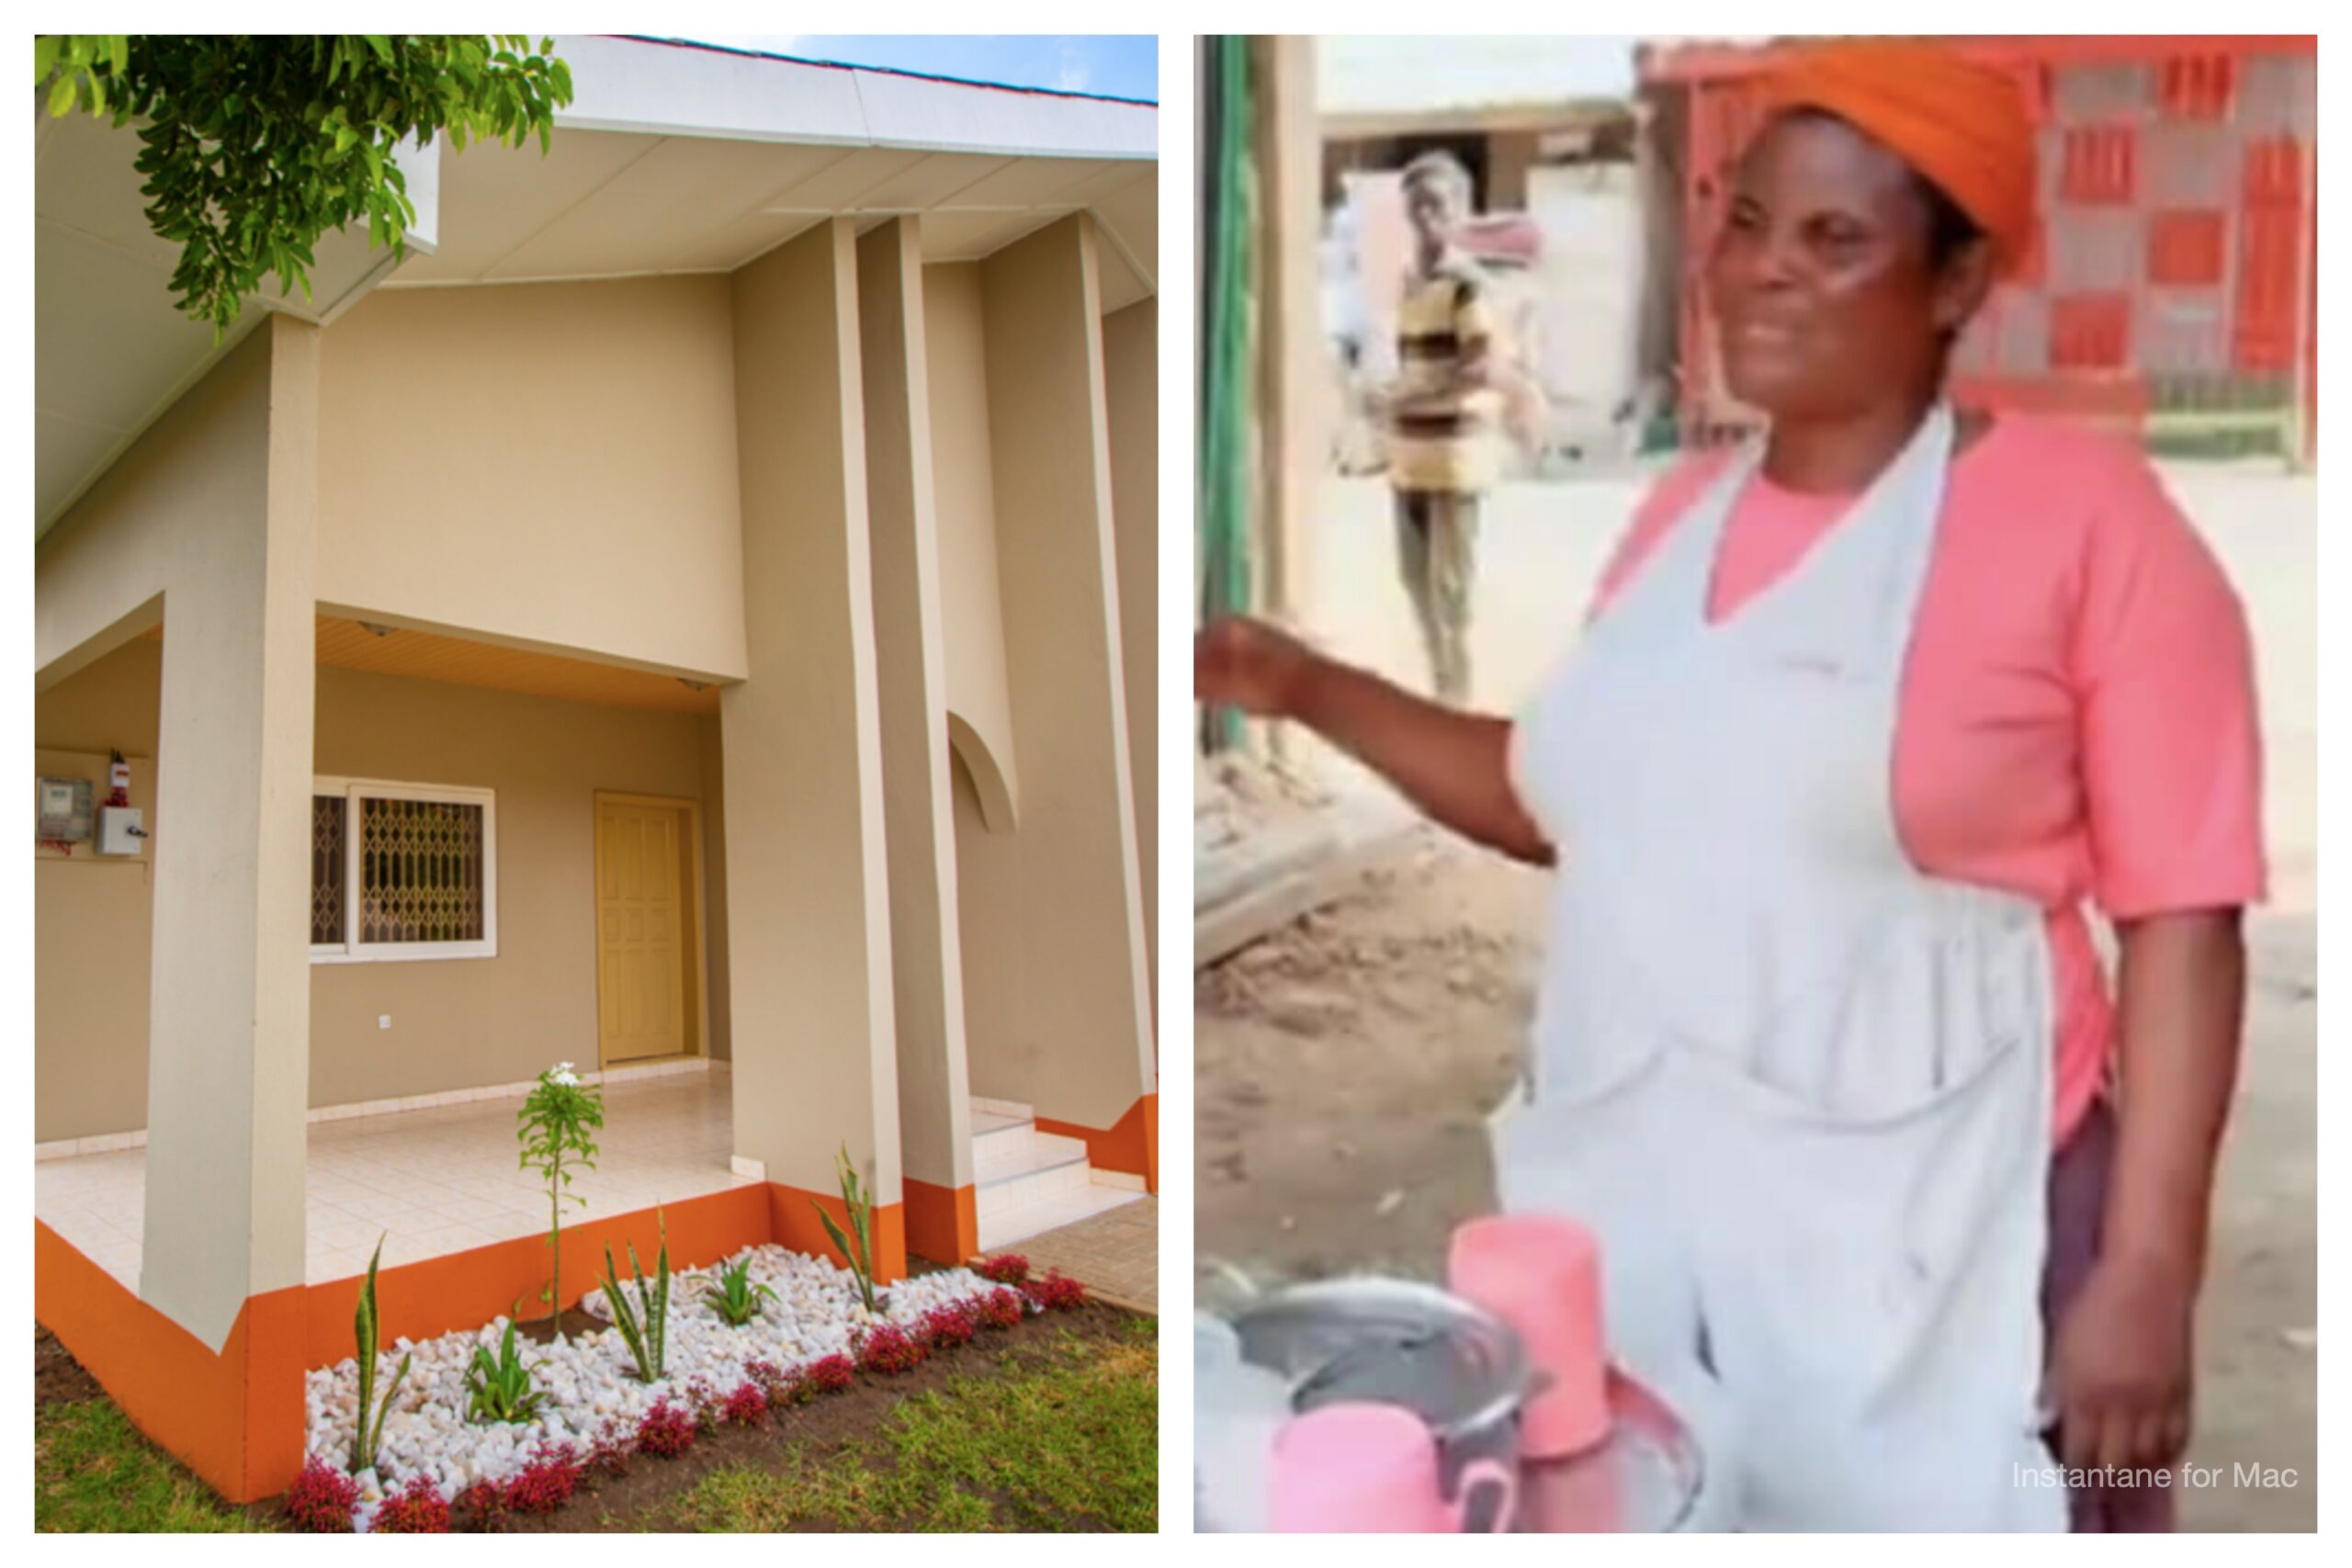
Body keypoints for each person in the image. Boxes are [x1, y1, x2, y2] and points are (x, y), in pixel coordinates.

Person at [1198, 39, 2262, 1532]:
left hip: (1955, 1239)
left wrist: (2147, 1271)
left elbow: (2184, 917)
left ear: (1956, 281)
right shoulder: (1680, 518)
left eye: (1836, 239)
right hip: (1667, 1231)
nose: (1762, 271)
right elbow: (1552, 795)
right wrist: (1301, 682)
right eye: (1748, 223)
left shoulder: (2082, 525)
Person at [1380, 150, 1506, 705]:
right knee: (1416, 588)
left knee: (1449, 595)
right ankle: (1444, 692)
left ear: (1459, 213)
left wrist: (1411, 394)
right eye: (1417, 205)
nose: (1426, 216)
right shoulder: (1412, 286)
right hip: (1410, 460)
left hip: (1455, 461)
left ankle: (1455, 707)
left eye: (1438, 205)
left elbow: (1480, 366)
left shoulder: (1465, 286)